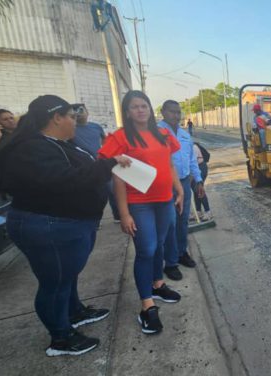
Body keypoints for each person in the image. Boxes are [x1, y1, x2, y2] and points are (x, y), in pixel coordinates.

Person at [0, 95, 131, 356]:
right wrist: (110, 163)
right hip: (47, 227)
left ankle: (74, 311)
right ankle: (60, 338)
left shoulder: (54, 143)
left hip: (67, 225)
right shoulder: (32, 148)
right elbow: (67, 179)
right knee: (54, 283)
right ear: (56, 117)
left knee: (66, 276)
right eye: (71, 116)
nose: (75, 121)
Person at [99, 90, 183, 335]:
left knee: (160, 244)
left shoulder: (163, 134)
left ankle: (157, 283)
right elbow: (117, 178)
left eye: (144, 105)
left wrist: (179, 190)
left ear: (150, 108)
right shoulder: (120, 137)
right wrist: (124, 213)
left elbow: (168, 164)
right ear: (127, 111)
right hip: (139, 203)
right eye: (134, 106)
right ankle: (147, 305)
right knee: (146, 248)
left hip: (164, 200)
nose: (140, 110)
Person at [158, 100, 204, 281]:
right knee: (169, 222)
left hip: (184, 182)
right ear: (163, 112)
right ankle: (170, 263)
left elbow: (192, 160)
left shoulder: (185, 135)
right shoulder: (156, 133)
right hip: (164, 184)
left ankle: (181, 253)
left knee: (182, 220)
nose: (176, 115)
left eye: (178, 112)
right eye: (171, 112)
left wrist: (198, 180)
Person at [71, 103, 120, 223]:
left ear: (87, 112)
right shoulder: (71, 128)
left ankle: (118, 216)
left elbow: (105, 141)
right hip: (85, 166)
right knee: (95, 194)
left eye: (82, 110)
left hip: (102, 163)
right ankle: (95, 220)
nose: (80, 113)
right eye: (76, 111)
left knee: (112, 191)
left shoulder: (96, 127)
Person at [192, 142, 211, 221]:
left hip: (200, 168)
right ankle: (198, 211)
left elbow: (193, 162)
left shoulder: (192, 147)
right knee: (195, 190)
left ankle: (208, 212)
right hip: (196, 168)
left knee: (199, 189)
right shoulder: (190, 145)